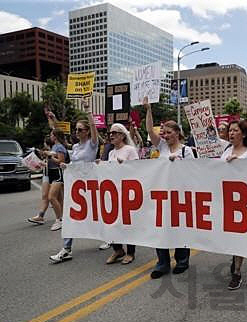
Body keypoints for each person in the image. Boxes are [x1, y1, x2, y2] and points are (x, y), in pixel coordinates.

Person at [145, 97, 195, 278]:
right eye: (163, 132)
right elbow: (149, 129)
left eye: (167, 132)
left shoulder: (186, 151)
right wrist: (148, 110)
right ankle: (162, 263)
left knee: (180, 228)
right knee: (161, 228)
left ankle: (182, 260)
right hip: (162, 195)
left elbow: (192, 172)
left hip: (180, 196)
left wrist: (178, 163)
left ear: (177, 132)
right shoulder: (162, 147)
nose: (164, 135)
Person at [50, 98, 99, 263]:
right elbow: (74, 163)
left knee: (97, 214)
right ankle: (67, 249)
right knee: (71, 215)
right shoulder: (76, 147)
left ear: (86, 131)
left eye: (80, 130)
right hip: (77, 187)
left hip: (92, 185)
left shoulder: (93, 144)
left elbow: (94, 128)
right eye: (76, 130)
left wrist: (88, 110)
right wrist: (66, 166)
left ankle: (110, 238)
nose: (77, 132)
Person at [220, 119, 247, 290]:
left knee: (240, 237)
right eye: (230, 130)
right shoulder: (225, 151)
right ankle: (235, 259)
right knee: (231, 236)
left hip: (244, 203)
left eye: (235, 130)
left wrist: (240, 166)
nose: (231, 133)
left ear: (243, 134)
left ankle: (237, 272)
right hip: (227, 200)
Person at [105, 123, 139, 265]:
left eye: (115, 133)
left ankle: (130, 252)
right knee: (112, 222)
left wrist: (124, 164)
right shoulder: (111, 153)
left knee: (127, 223)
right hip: (113, 192)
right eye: (110, 133)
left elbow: (138, 169)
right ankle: (118, 249)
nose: (111, 135)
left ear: (122, 135)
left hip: (127, 192)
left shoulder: (130, 150)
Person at [40, 128, 69, 231]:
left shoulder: (60, 147)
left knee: (51, 197)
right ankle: (64, 217)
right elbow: (52, 160)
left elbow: (61, 161)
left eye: (51, 135)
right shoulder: (55, 146)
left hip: (58, 173)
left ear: (55, 136)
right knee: (60, 198)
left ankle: (59, 220)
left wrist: (50, 156)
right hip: (52, 173)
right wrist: (46, 157)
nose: (50, 136)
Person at [27, 136, 53, 225]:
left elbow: (55, 163)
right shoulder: (46, 151)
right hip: (46, 175)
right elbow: (46, 164)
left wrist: (44, 164)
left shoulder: (54, 150)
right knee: (45, 196)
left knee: (56, 197)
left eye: (44, 142)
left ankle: (62, 217)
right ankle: (40, 216)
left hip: (54, 175)